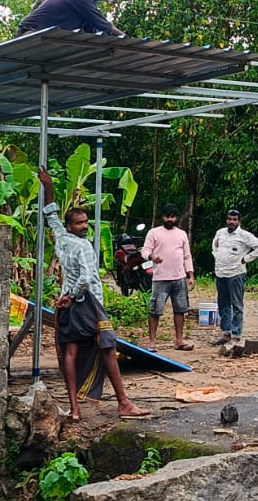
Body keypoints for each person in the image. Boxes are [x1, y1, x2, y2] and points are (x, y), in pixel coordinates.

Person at [39, 168, 147, 421]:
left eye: (86, 222)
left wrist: (49, 186)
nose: (84, 226)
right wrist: (72, 295)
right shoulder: (84, 246)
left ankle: (75, 409)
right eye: (80, 223)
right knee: (107, 347)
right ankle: (123, 402)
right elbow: (87, 278)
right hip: (87, 303)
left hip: (69, 304)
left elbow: (51, 213)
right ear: (71, 226)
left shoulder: (61, 237)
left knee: (70, 351)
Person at [141, 204, 195, 351]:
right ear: (162, 217)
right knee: (155, 311)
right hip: (160, 278)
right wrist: (152, 257)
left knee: (180, 310)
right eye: (167, 216)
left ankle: (179, 340)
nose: (169, 219)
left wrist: (190, 274)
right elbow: (145, 251)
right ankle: (152, 342)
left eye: (172, 217)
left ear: (176, 218)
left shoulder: (182, 234)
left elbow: (187, 255)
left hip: (179, 278)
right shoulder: (154, 233)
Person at [211, 209, 258, 346]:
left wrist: (246, 259)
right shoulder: (220, 233)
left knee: (236, 305)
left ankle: (236, 335)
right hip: (220, 273)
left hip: (236, 274)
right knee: (223, 304)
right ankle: (226, 333)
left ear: (239, 221)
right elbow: (214, 245)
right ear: (226, 220)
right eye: (229, 219)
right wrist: (216, 255)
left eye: (234, 219)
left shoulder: (245, 235)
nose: (231, 222)